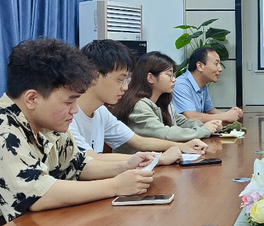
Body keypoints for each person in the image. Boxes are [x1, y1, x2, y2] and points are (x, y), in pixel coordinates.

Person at [0, 37, 156, 226]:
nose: (75, 110)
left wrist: (124, 167)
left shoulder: (50, 125)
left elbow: (78, 165)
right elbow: (38, 194)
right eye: (69, 101)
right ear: (32, 99)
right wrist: (115, 185)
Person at [71, 40, 207, 162]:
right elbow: (91, 158)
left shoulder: (101, 111)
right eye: (120, 80)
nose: (125, 87)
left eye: (127, 80)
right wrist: (159, 158)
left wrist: (182, 146)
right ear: (94, 76)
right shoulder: (68, 115)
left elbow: (138, 141)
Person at [112, 51, 223, 148]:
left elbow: (181, 121)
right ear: (150, 77)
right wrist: (204, 130)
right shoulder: (139, 105)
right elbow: (164, 133)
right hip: (137, 162)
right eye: (169, 74)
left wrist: (207, 126)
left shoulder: (163, 101)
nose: (174, 79)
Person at [172, 47, 243, 124]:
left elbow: (210, 111)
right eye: (216, 64)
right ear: (200, 66)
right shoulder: (180, 85)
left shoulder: (203, 85)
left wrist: (231, 114)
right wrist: (225, 116)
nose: (220, 69)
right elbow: (191, 117)